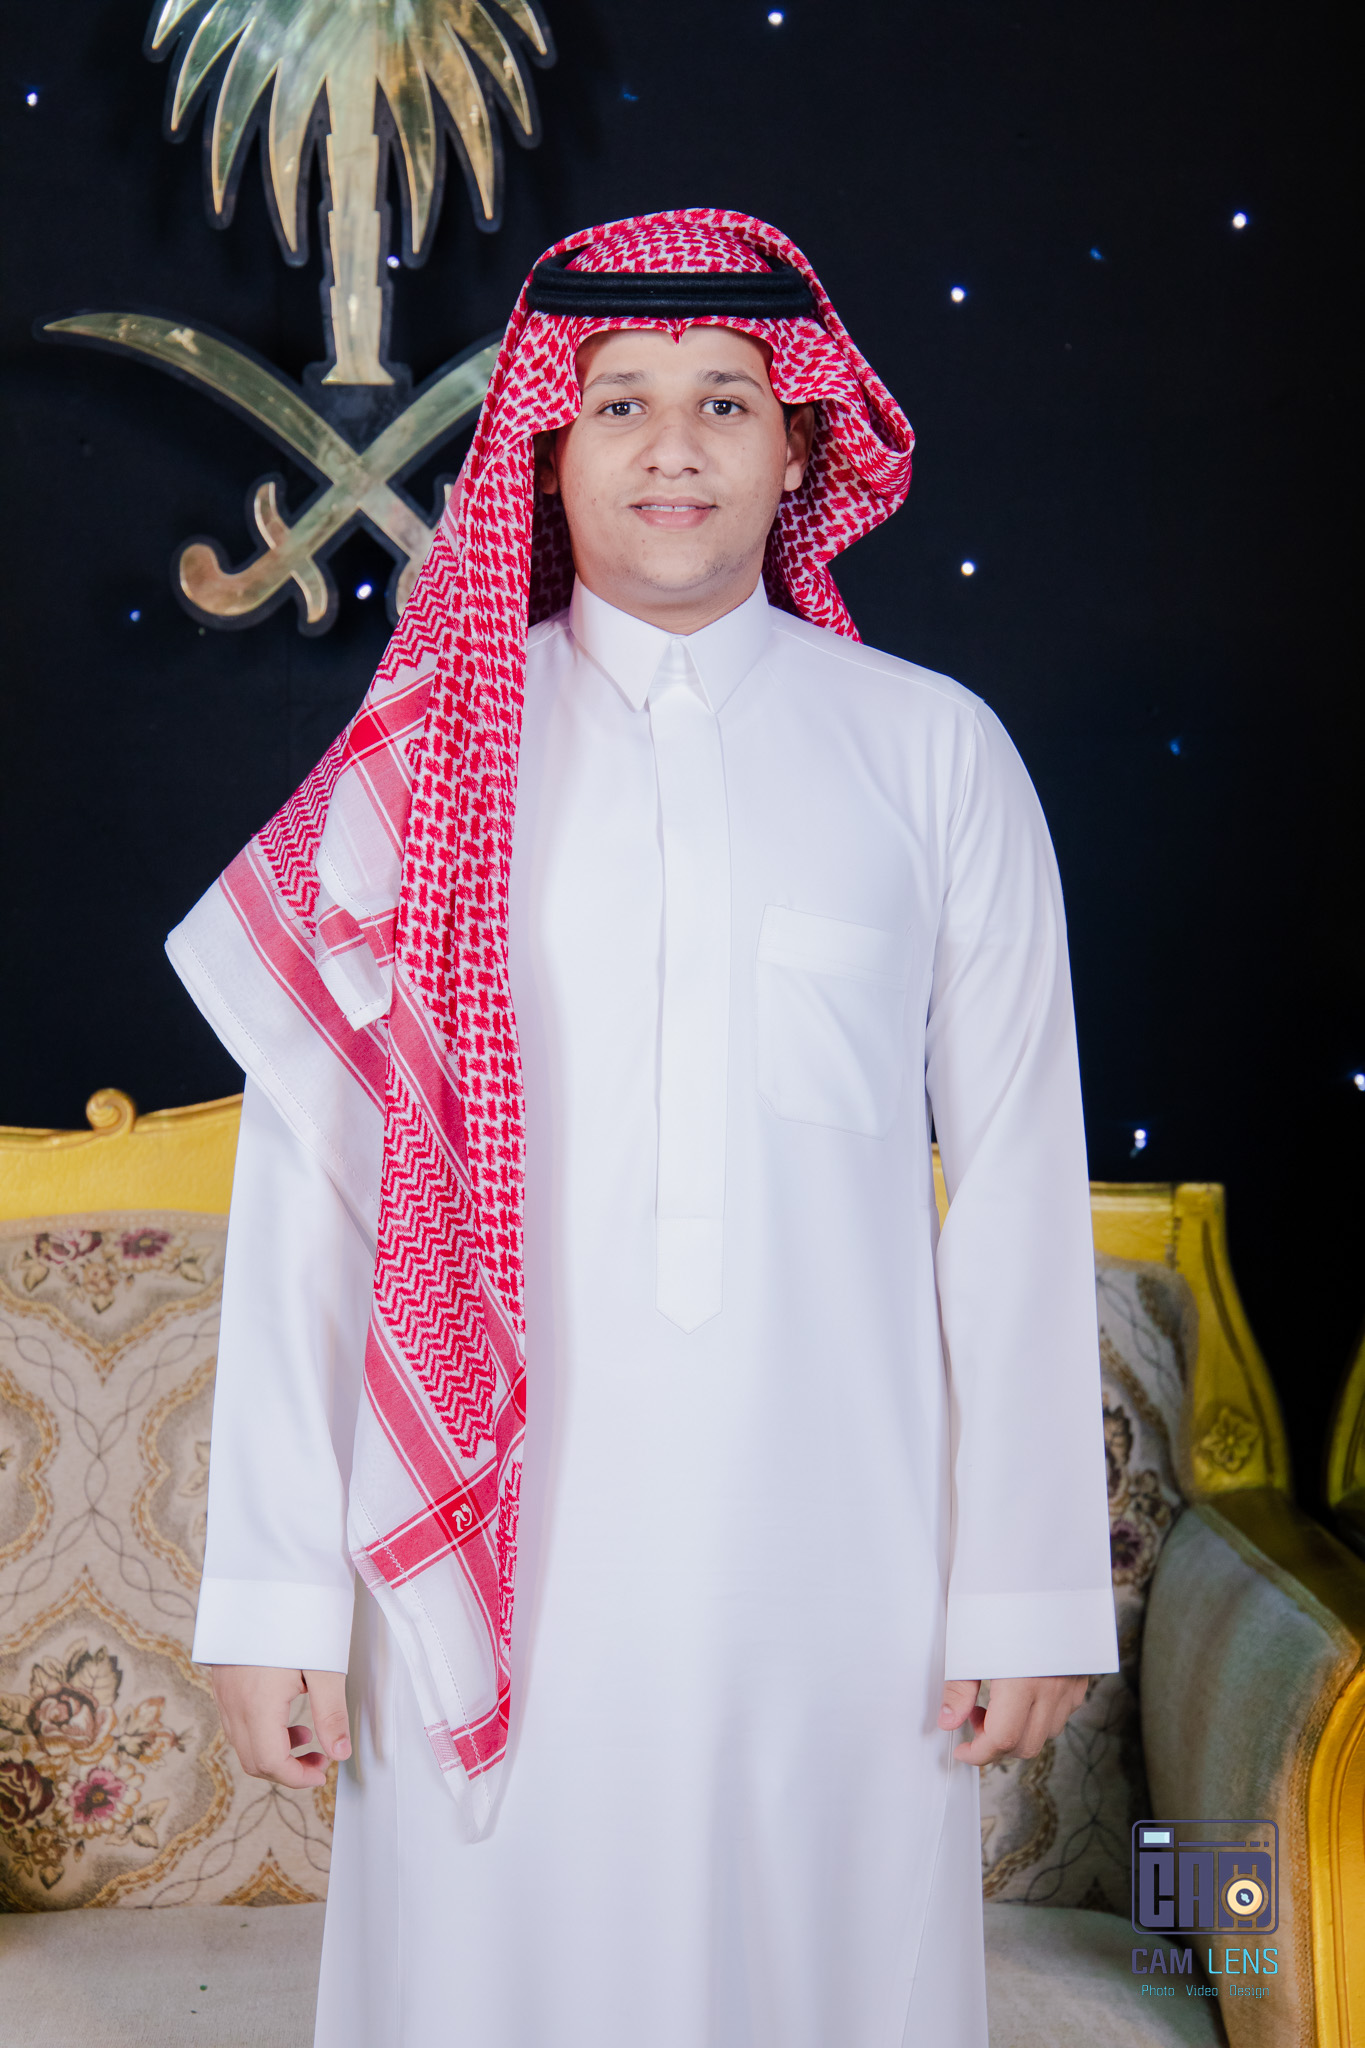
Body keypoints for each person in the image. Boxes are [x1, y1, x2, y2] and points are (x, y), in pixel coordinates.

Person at [168, 209, 1118, 2048]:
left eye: (724, 401)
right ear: (545, 446)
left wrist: (1022, 1587)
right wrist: (272, 1591)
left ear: (801, 445)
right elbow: (316, 1197)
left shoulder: (932, 752)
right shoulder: (422, 767)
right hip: (493, 1564)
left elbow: (1015, 1182)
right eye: (617, 402)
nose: (671, 446)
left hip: (839, 1565)